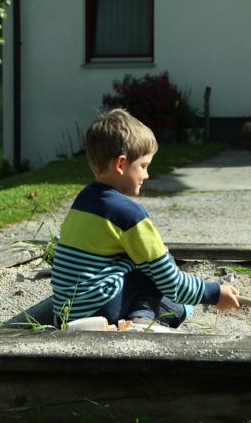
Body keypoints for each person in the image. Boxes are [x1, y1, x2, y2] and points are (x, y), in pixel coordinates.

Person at [50, 108, 240, 328]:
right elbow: (169, 281)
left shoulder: (83, 201)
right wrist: (213, 293)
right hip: (100, 311)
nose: (146, 175)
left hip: (68, 312)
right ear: (121, 165)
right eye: (143, 166)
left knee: (149, 270)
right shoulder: (129, 215)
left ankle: (166, 311)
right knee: (157, 262)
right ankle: (141, 320)